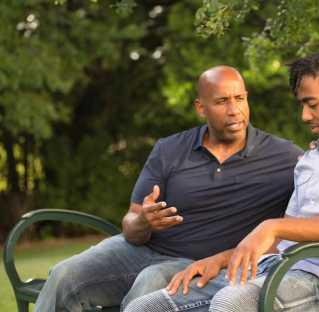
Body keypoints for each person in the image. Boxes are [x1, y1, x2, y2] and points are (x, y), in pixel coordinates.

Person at [123, 48, 319, 312]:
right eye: (302, 105)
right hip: (276, 270)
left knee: (231, 303)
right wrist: (222, 259)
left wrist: (273, 225)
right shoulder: (315, 156)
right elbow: (284, 241)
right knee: (149, 306)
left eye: (312, 104)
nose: (304, 116)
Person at [34, 65, 302, 311]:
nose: (234, 110)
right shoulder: (170, 149)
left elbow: (317, 190)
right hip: (141, 250)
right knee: (64, 275)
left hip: (202, 264)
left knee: (148, 286)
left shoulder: (284, 157)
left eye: (240, 99)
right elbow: (130, 225)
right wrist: (143, 221)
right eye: (222, 101)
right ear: (201, 107)